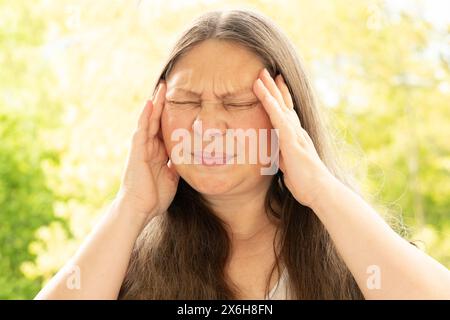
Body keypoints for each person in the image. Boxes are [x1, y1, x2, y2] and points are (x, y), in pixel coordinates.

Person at [35, 9, 450, 300]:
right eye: (186, 101)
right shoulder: (123, 259)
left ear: (287, 116)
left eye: (236, 103)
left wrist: (322, 190)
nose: (208, 127)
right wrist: (131, 205)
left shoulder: (353, 251)